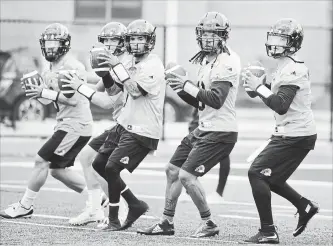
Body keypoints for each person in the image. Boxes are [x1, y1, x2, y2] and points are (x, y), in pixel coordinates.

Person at [137, 12, 240, 238]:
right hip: (204, 127)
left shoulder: (228, 61)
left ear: (223, 37)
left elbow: (216, 99)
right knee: (172, 170)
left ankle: (209, 223)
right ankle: (166, 222)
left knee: (187, 176)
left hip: (221, 131)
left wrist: (187, 84)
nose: (208, 38)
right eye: (204, 33)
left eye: (214, 33)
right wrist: (180, 88)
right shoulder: (205, 60)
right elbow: (199, 102)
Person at [68, 19, 166, 231]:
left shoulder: (152, 65)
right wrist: (104, 73)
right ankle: (133, 204)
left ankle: (115, 217)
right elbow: (113, 92)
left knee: (111, 167)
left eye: (141, 38)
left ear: (150, 41)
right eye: (133, 39)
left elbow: (134, 91)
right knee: (97, 164)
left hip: (143, 128)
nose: (136, 43)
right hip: (124, 124)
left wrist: (112, 66)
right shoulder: (129, 62)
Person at [0, 23, 94, 219]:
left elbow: (74, 99)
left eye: (54, 43)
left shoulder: (73, 66)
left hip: (76, 124)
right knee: (58, 171)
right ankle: (98, 198)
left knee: (41, 160)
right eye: (47, 44)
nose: (50, 48)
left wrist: (44, 91)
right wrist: (37, 93)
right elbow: (48, 99)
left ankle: (25, 205)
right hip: (66, 123)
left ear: (64, 45)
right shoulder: (50, 67)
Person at [241, 18, 319, 244]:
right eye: (273, 39)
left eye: (281, 40)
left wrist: (260, 88)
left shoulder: (293, 68)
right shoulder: (283, 67)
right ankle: (305, 206)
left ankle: (268, 231)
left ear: (293, 43)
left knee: (256, 173)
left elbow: (281, 105)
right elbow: (275, 101)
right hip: (290, 132)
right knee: (271, 178)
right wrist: (259, 91)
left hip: (296, 134)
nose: (274, 44)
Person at [64, 22, 132, 226]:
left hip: (130, 125)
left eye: (113, 40)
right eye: (106, 40)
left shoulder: (125, 64)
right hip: (121, 122)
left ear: (123, 42)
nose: (109, 44)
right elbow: (98, 87)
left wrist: (79, 88)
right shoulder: (112, 64)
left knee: (106, 166)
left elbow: (107, 102)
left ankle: (123, 208)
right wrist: (79, 81)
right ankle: (94, 209)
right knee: (86, 158)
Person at [188, 108, 230, 201]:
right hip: (207, 113)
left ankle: (219, 193)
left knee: (223, 149)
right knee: (195, 146)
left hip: (215, 114)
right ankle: (190, 190)